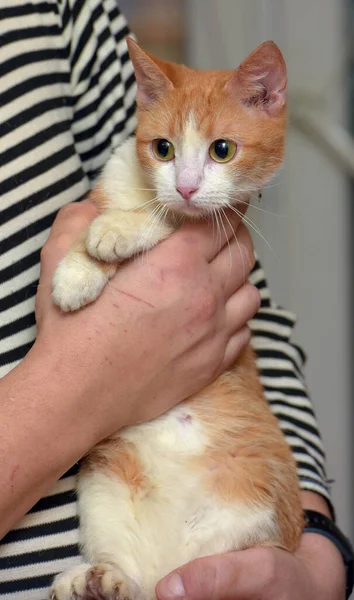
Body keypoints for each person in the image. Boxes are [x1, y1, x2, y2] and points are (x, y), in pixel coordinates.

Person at [0, 1, 348, 599]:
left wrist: (319, 558)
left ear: (270, 100)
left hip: (224, 487)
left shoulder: (65, 12)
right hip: (125, 491)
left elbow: (241, 312)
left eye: (218, 154)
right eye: (164, 152)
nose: (187, 186)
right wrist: (73, 385)